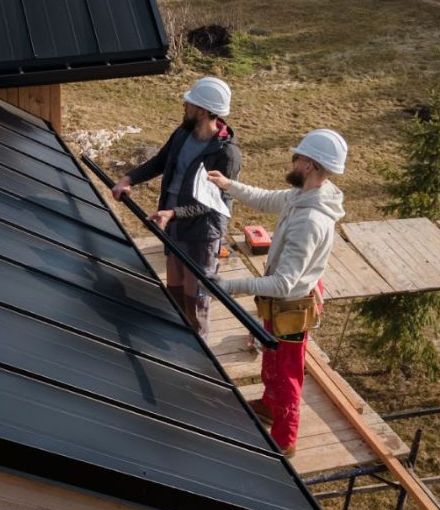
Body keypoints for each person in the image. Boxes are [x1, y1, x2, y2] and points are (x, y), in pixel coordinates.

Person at [206, 129, 347, 456]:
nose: (293, 160)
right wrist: (230, 186)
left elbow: (284, 283)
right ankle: (270, 406)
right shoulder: (306, 194)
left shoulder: (310, 220)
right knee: (272, 359)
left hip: (292, 305)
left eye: (297, 157)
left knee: (287, 375)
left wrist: (229, 285)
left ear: (309, 165)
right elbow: (269, 198)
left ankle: (285, 441)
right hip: (283, 303)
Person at [111, 77, 241, 340]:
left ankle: (200, 355)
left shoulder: (226, 154)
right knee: (175, 291)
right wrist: (128, 179)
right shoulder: (182, 135)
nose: (184, 105)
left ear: (202, 111)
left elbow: (210, 203)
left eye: (189, 103)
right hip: (173, 226)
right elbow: (160, 162)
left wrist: (173, 213)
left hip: (201, 234)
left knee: (197, 300)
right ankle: (177, 342)